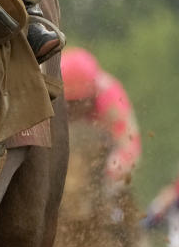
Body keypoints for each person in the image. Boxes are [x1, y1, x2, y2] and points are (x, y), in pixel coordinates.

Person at [61, 47, 142, 192]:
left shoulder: (111, 98)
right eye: (70, 103)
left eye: (80, 101)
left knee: (117, 187)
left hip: (104, 163)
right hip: (67, 160)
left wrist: (113, 170)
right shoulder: (51, 97)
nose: (75, 109)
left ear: (92, 93)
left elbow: (130, 144)